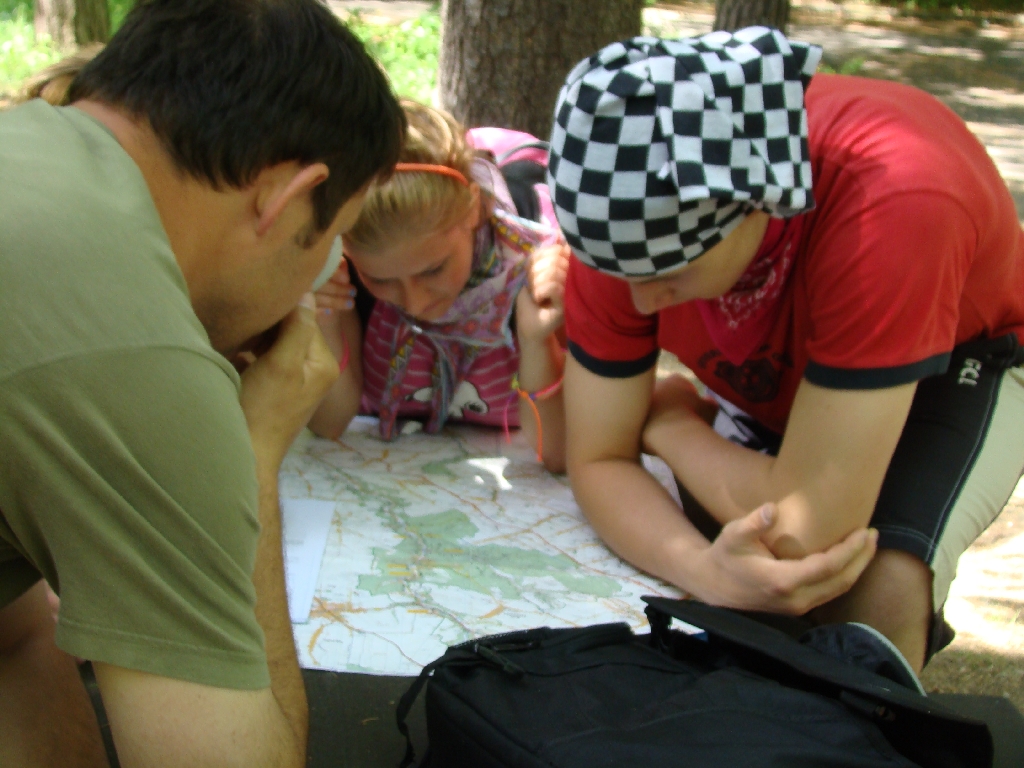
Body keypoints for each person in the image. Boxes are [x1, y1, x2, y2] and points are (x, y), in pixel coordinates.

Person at [0, 1, 404, 766]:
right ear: (286, 198)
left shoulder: (27, 151)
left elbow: (14, 641)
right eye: (329, 239)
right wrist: (252, 451)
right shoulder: (130, 345)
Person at [548, 27, 1024, 672]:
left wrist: (669, 424)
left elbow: (807, 530)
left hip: (966, 355)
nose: (640, 303)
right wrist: (702, 571)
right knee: (748, 574)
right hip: (811, 356)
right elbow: (598, 458)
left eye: (669, 277)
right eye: (617, 273)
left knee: (877, 581)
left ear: (758, 209)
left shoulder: (895, 204)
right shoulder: (626, 213)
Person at [310, 101, 570, 471]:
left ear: (474, 209)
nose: (414, 304)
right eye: (380, 280)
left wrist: (536, 341)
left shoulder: (536, 263)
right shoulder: (342, 272)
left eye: (433, 270)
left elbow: (557, 452)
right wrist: (327, 321)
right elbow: (328, 424)